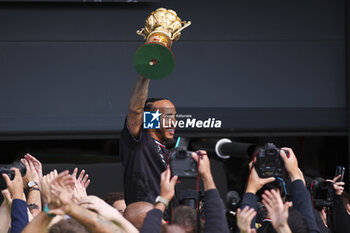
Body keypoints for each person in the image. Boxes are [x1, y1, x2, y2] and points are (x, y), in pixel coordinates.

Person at [119, 75, 176, 205]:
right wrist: (146, 74)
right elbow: (135, 110)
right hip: (146, 220)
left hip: (167, 221)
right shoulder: (141, 143)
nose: (173, 123)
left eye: (175, 117)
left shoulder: (167, 152)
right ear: (152, 119)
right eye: (167, 116)